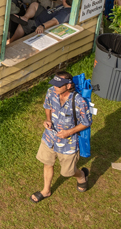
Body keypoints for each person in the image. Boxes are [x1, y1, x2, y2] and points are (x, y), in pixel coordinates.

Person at [30, 72, 91, 203]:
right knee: (47, 163)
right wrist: (48, 120)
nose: (55, 87)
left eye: (59, 85)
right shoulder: (51, 91)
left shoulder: (79, 101)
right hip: (50, 137)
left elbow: (86, 122)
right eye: (54, 84)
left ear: (68, 85)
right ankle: (46, 190)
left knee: (68, 172)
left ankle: (81, 176)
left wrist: (69, 132)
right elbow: (47, 106)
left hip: (68, 143)